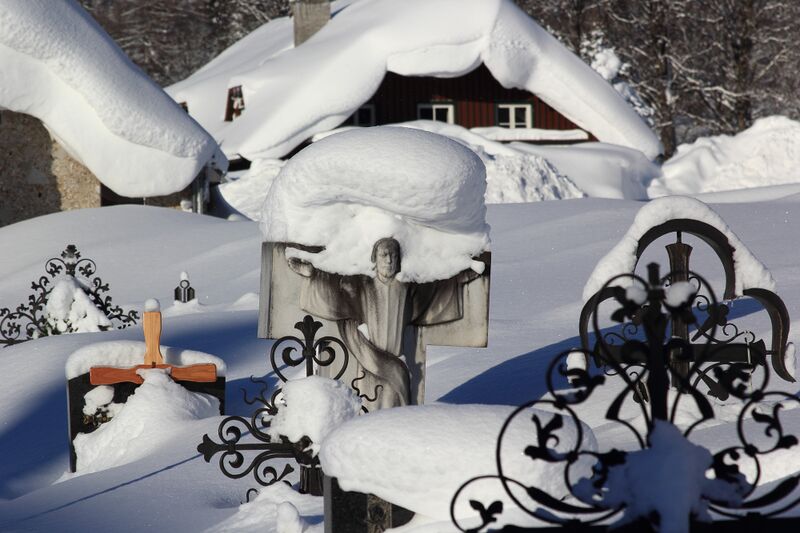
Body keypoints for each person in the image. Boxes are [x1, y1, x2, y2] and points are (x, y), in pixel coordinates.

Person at [288, 237, 479, 409]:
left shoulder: (406, 288)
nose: (389, 260)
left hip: (396, 364)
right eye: (384, 255)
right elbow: (335, 289)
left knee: (394, 414)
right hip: (368, 360)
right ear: (375, 258)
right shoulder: (361, 286)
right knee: (367, 408)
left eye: (393, 256)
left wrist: (460, 280)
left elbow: (435, 291)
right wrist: (312, 274)